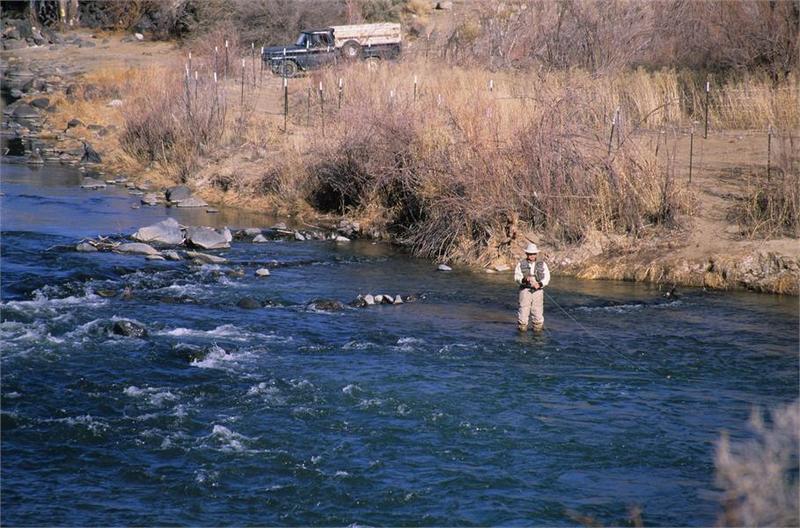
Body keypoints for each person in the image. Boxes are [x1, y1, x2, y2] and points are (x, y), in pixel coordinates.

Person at [514, 242, 550, 332]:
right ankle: (522, 333)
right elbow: (516, 277)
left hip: (538, 291)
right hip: (525, 291)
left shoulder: (542, 264)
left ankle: (537, 334)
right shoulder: (520, 264)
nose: (532, 255)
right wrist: (525, 279)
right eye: (530, 254)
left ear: (536, 254)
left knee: (537, 313)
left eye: (534, 253)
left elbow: (547, 277)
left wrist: (540, 284)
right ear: (527, 254)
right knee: (523, 312)